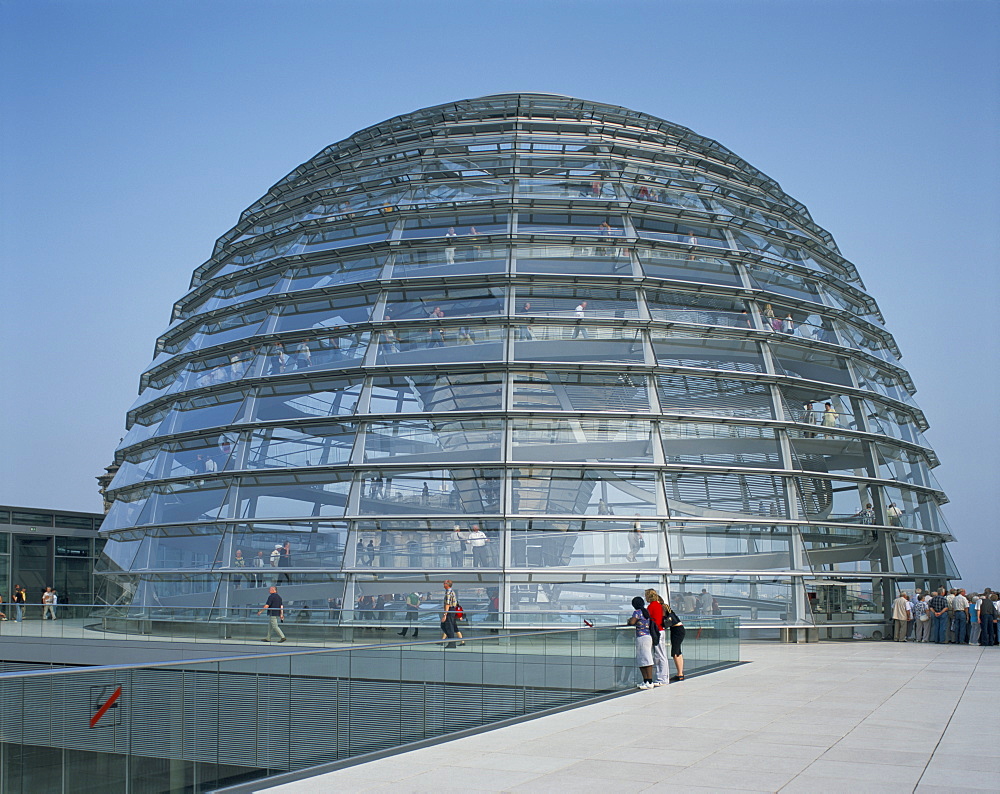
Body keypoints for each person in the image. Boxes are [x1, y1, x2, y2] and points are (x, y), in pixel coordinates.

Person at [628, 596, 655, 689]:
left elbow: (632, 622)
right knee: (644, 658)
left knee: (644, 658)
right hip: (648, 636)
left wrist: (629, 620)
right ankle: (647, 680)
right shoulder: (646, 611)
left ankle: (649, 681)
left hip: (641, 637)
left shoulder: (637, 612)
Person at [645, 589, 668, 687]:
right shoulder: (659, 605)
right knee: (661, 654)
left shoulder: (651, 606)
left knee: (659, 655)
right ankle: (663, 677)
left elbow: (648, 618)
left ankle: (662, 679)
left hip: (656, 631)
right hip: (661, 630)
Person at [663, 599, 686, 681]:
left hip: (676, 630)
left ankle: (680, 674)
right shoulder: (667, 608)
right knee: (678, 651)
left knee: (675, 652)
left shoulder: (663, 608)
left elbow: (666, 622)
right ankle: (680, 673)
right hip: (678, 629)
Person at [440, 579, 461, 648]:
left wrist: (445, 614)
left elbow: (447, 604)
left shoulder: (449, 593)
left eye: (444, 583)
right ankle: (451, 641)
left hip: (450, 610)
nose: (443, 584)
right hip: (452, 610)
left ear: (448, 584)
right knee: (447, 626)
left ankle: (452, 642)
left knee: (448, 626)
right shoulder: (451, 592)